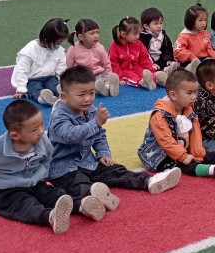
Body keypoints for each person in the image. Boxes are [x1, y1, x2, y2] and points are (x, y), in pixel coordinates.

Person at [49, 66, 181, 206]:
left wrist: (103, 153)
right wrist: (96, 123)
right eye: (81, 95)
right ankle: (94, 199)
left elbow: (99, 135)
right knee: (77, 184)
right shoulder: (58, 116)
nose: (87, 99)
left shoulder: (90, 110)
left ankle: (148, 181)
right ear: (64, 97)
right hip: (64, 169)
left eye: (92, 93)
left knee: (116, 171)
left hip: (88, 163)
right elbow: (71, 135)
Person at [0, 99, 102, 234]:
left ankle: (81, 205)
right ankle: (50, 217)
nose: (41, 131)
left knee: (54, 194)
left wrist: (43, 173)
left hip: (34, 182)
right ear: (15, 135)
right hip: (5, 189)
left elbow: (48, 157)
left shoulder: (42, 140)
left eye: (42, 124)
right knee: (25, 204)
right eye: (34, 129)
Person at [138, 69, 215, 178]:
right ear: (173, 95)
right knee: (181, 164)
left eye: (195, 92)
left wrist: (198, 154)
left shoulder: (189, 111)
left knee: (205, 154)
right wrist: (183, 156)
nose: (194, 97)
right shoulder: (160, 115)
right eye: (189, 93)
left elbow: (196, 135)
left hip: (181, 149)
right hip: (157, 155)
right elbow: (166, 141)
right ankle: (214, 170)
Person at [11, 17, 69, 106]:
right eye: (58, 42)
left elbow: (61, 67)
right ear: (47, 38)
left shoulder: (58, 50)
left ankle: (61, 93)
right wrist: (21, 88)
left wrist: (63, 81)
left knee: (54, 84)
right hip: (32, 79)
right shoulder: (29, 51)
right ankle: (43, 98)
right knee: (35, 89)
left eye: (61, 42)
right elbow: (22, 70)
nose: (60, 44)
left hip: (50, 77)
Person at [66, 18, 120, 97]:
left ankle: (110, 87)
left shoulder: (99, 47)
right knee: (82, 86)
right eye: (92, 33)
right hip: (82, 77)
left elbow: (106, 63)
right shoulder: (73, 49)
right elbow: (69, 67)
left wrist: (108, 75)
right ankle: (104, 89)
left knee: (102, 80)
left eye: (97, 32)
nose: (96, 36)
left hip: (98, 74)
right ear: (81, 37)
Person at [109, 16, 166, 90]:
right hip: (124, 71)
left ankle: (158, 80)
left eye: (139, 33)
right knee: (132, 77)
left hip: (137, 67)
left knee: (145, 73)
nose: (138, 36)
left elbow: (145, 58)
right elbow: (113, 64)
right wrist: (119, 77)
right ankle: (142, 83)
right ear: (123, 34)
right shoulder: (114, 46)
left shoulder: (138, 44)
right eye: (134, 34)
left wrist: (152, 70)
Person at [173, 2, 215, 73]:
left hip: (203, 59)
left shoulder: (205, 33)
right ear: (191, 21)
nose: (204, 23)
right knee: (196, 67)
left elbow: (209, 48)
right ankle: (187, 71)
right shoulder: (184, 35)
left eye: (205, 20)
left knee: (211, 62)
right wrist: (191, 57)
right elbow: (178, 51)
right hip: (189, 61)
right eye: (200, 20)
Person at [139, 7, 179, 76]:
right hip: (149, 61)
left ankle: (186, 69)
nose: (159, 26)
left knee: (174, 64)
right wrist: (151, 63)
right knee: (150, 70)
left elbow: (168, 48)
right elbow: (144, 54)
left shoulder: (163, 35)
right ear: (146, 26)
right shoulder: (142, 38)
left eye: (161, 23)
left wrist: (168, 59)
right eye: (156, 24)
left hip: (161, 59)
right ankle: (163, 73)